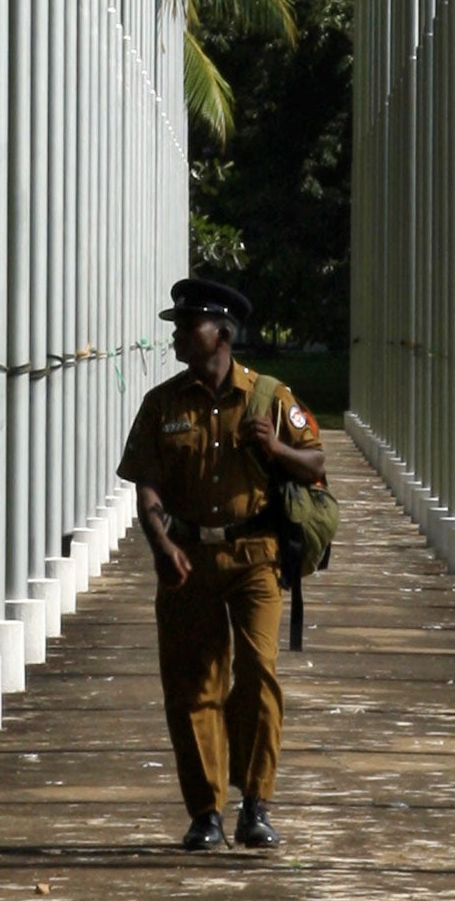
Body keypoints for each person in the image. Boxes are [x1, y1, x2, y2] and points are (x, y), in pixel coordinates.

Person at [117, 275, 326, 853]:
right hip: (187, 557)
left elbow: (315, 463)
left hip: (254, 556)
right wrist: (162, 547)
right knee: (193, 686)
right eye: (178, 327)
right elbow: (147, 487)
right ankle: (206, 811)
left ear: (223, 333)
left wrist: (275, 447)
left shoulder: (269, 398)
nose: (179, 336)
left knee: (258, 672)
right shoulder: (162, 405)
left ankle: (256, 804)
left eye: (189, 326)